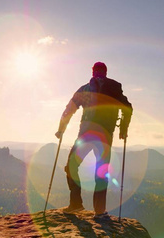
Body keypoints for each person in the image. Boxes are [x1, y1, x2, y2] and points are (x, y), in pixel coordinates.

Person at [55, 62, 133, 217]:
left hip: (85, 134)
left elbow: (68, 110)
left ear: (92, 72)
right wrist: (123, 129)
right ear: (106, 72)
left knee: (71, 166)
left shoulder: (85, 89)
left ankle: (76, 203)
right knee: (101, 171)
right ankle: (99, 211)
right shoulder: (114, 88)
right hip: (105, 135)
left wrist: (61, 129)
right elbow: (128, 108)